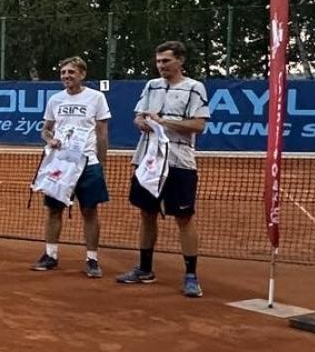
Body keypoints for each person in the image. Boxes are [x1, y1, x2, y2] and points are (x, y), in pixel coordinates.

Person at [117, 40, 210, 297]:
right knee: (146, 214)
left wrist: (164, 122)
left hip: (179, 160)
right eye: (158, 61)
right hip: (148, 160)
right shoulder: (151, 86)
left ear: (180, 61)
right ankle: (145, 269)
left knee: (184, 217)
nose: (161, 66)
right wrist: (142, 123)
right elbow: (138, 116)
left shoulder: (194, 88)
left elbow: (199, 125)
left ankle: (191, 275)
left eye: (166, 61)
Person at [30, 56, 110, 278]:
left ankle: (92, 259)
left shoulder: (96, 98)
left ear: (82, 74)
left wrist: (101, 163)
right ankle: (50, 255)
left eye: (71, 72)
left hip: (88, 163)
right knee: (54, 210)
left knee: (89, 211)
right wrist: (49, 140)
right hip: (60, 164)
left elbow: (102, 133)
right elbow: (45, 129)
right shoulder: (55, 100)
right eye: (63, 72)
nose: (66, 76)